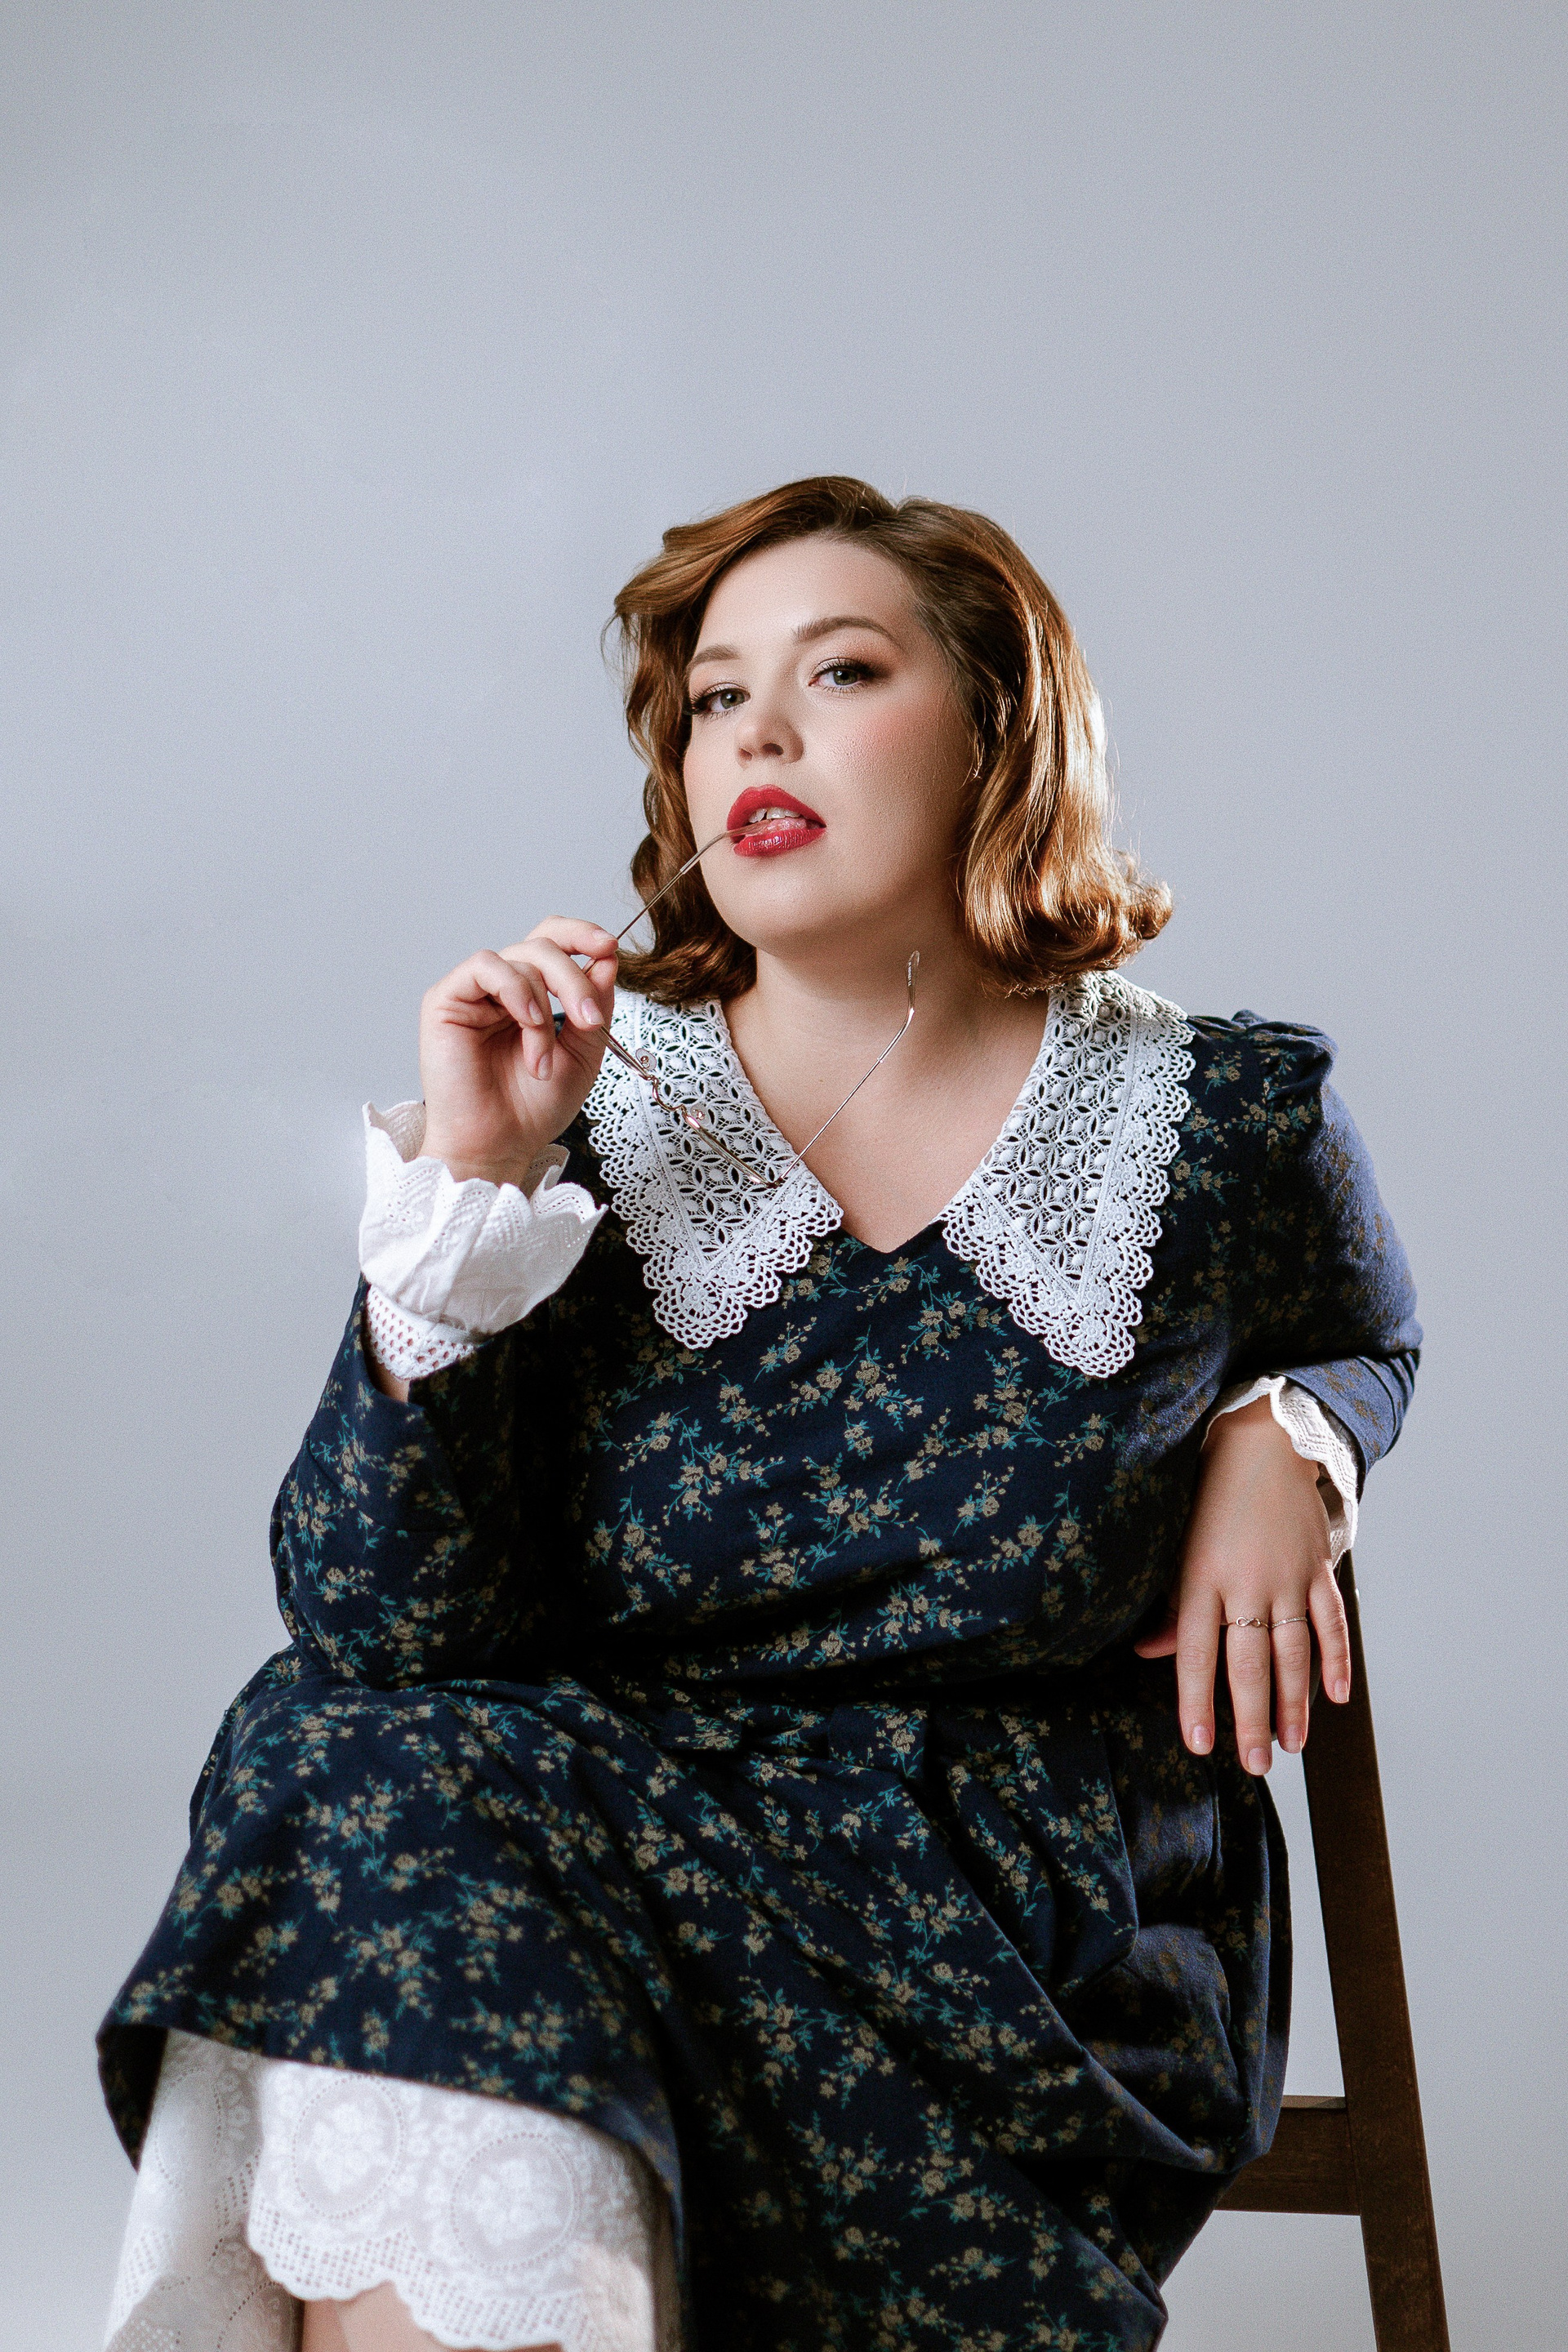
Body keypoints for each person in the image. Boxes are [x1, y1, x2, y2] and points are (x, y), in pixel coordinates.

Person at [99, 476, 1419, 2352]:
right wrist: (474, 1190)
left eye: (842, 673)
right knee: (349, 1753)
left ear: (998, 731)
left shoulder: (1223, 1121)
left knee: (399, 1819)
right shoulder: (588, 1112)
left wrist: (1299, 1434)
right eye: (717, 698)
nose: (758, 739)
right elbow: (381, 1627)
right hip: (601, 1842)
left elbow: (1371, 1331)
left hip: (1018, 1915)